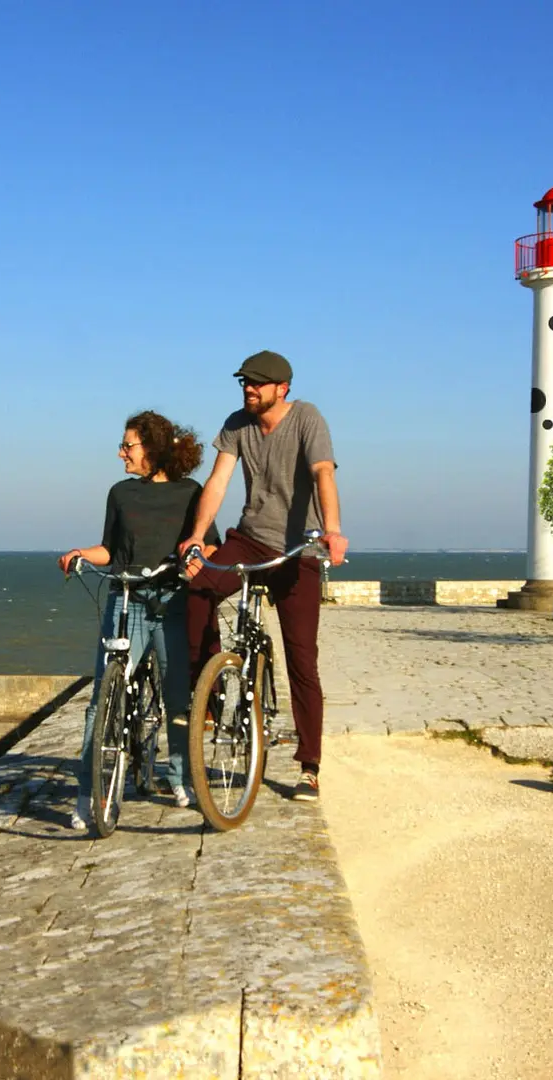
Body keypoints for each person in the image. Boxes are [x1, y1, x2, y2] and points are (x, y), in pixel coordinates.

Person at [178, 350, 347, 803]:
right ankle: (209, 697)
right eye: (244, 384)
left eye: (256, 384)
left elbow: (323, 473)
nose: (248, 390)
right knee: (197, 587)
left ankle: (309, 766)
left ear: (282, 388)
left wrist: (331, 531)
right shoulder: (237, 423)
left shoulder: (307, 419)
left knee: (301, 660)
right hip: (250, 538)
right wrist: (197, 536)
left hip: (298, 550)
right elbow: (218, 482)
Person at [60, 410, 216, 830]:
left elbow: (209, 546)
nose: (121, 453)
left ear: (153, 448)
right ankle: (86, 795)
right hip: (124, 599)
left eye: (128, 445)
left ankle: (180, 775)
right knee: (101, 703)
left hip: (170, 602)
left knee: (177, 699)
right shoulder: (121, 493)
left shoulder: (190, 492)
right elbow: (110, 550)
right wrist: (79, 554)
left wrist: (195, 561)